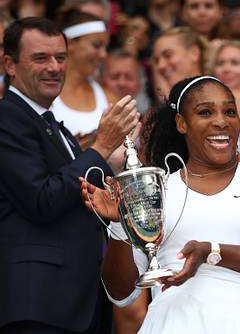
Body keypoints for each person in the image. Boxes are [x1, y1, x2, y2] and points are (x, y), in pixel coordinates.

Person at [80, 75, 240, 333]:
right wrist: (121, 224)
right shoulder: (157, 189)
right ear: (182, 123)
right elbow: (120, 293)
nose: (221, 121)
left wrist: (211, 252)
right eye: (205, 112)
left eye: (230, 111)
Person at [0, 17, 139, 333]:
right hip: (38, 304)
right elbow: (41, 200)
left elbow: (75, 194)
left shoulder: (46, 123)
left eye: (60, 58)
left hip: (76, 303)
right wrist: (102, 145)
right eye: (40, 58)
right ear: (9, 64)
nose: (54, 67)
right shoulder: (7, 117)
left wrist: (113, 163)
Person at [53, 9, 116, 150]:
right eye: (96, 45)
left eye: (105, 47)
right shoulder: (41, 96)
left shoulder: (109, 98)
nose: (103, 55)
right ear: (69, 43)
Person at [101, 48, 151, 115]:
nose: (122, 83)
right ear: (101, 81)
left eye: (129, 78)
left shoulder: (147, 121)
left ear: (139, 84)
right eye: (115, 77)